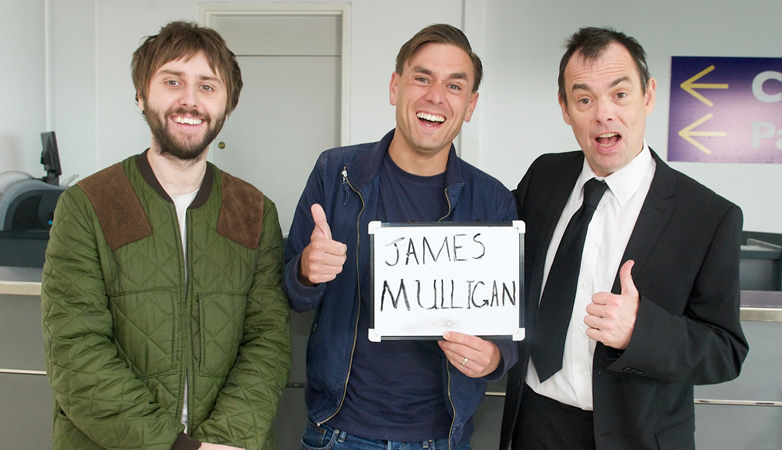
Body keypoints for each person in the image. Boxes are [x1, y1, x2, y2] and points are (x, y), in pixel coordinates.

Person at [41, 21, 291, 450]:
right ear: (142, 94)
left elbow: (267, 342)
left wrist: (225, 441)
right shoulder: (90, 204)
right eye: (172, 81)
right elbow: (75, 351)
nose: (189, 100)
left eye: (208, 87)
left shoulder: (253, 211)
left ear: (228, 105)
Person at [499, 27, 749, 449]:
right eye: (584, 100)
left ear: (648, 94)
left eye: (620, 94)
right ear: (565, 108)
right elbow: (485, 246)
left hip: (634, 435)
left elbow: (725, 351)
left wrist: (641, 331)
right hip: (535, 424)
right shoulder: (544, 177)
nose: (603, 114)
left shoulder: (708, 216)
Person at [283, 24, 518, 450]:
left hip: (442, 438)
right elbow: (292, 295)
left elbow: (506, 324)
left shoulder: (494, 201)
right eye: (422, 78)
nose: (435, 96)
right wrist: (305, 270)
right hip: (337, 432)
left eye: (454, 85)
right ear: (396, 86)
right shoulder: (335, 174)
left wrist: (496, 358)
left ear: (470, 105)